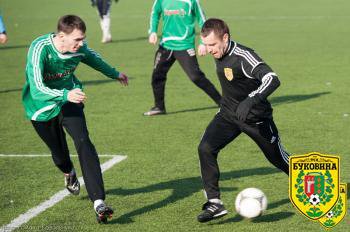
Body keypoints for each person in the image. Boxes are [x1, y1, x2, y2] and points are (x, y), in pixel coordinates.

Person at [22, 15, 128, 223]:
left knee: (83, 142)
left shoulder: (78, 48)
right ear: (62, 36)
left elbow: (94, 59)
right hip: (40, 107)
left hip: (70, 100)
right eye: (77, 40)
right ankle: (68, 171)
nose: (81, 44)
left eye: (82, 39)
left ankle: (99, 202)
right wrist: (63, 94)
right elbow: (36, 89)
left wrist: (114, 74)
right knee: (59, 155)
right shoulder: (40, 48)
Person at [196, 18, 290, 223]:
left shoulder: (243, 56)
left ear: (226, 38)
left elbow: (272, 78)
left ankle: (314, 185)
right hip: (228, 114)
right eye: (207, 44)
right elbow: (209, 43)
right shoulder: (217, 48)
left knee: (280, 160)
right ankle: (215, 203)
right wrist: (203, 46)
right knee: (205, 148)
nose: (210, 49)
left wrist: (252, 100)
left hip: (255, 118)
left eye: (213, 45)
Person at [143, 0, 221, 116]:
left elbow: (203, 21)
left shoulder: (192, 1)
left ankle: (222, 102)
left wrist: (203, 42)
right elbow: (155, 13)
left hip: (185, 46)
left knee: (196, 77)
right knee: (157, 76)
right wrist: (153, 31)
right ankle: (159, 107)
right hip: (166, 45)